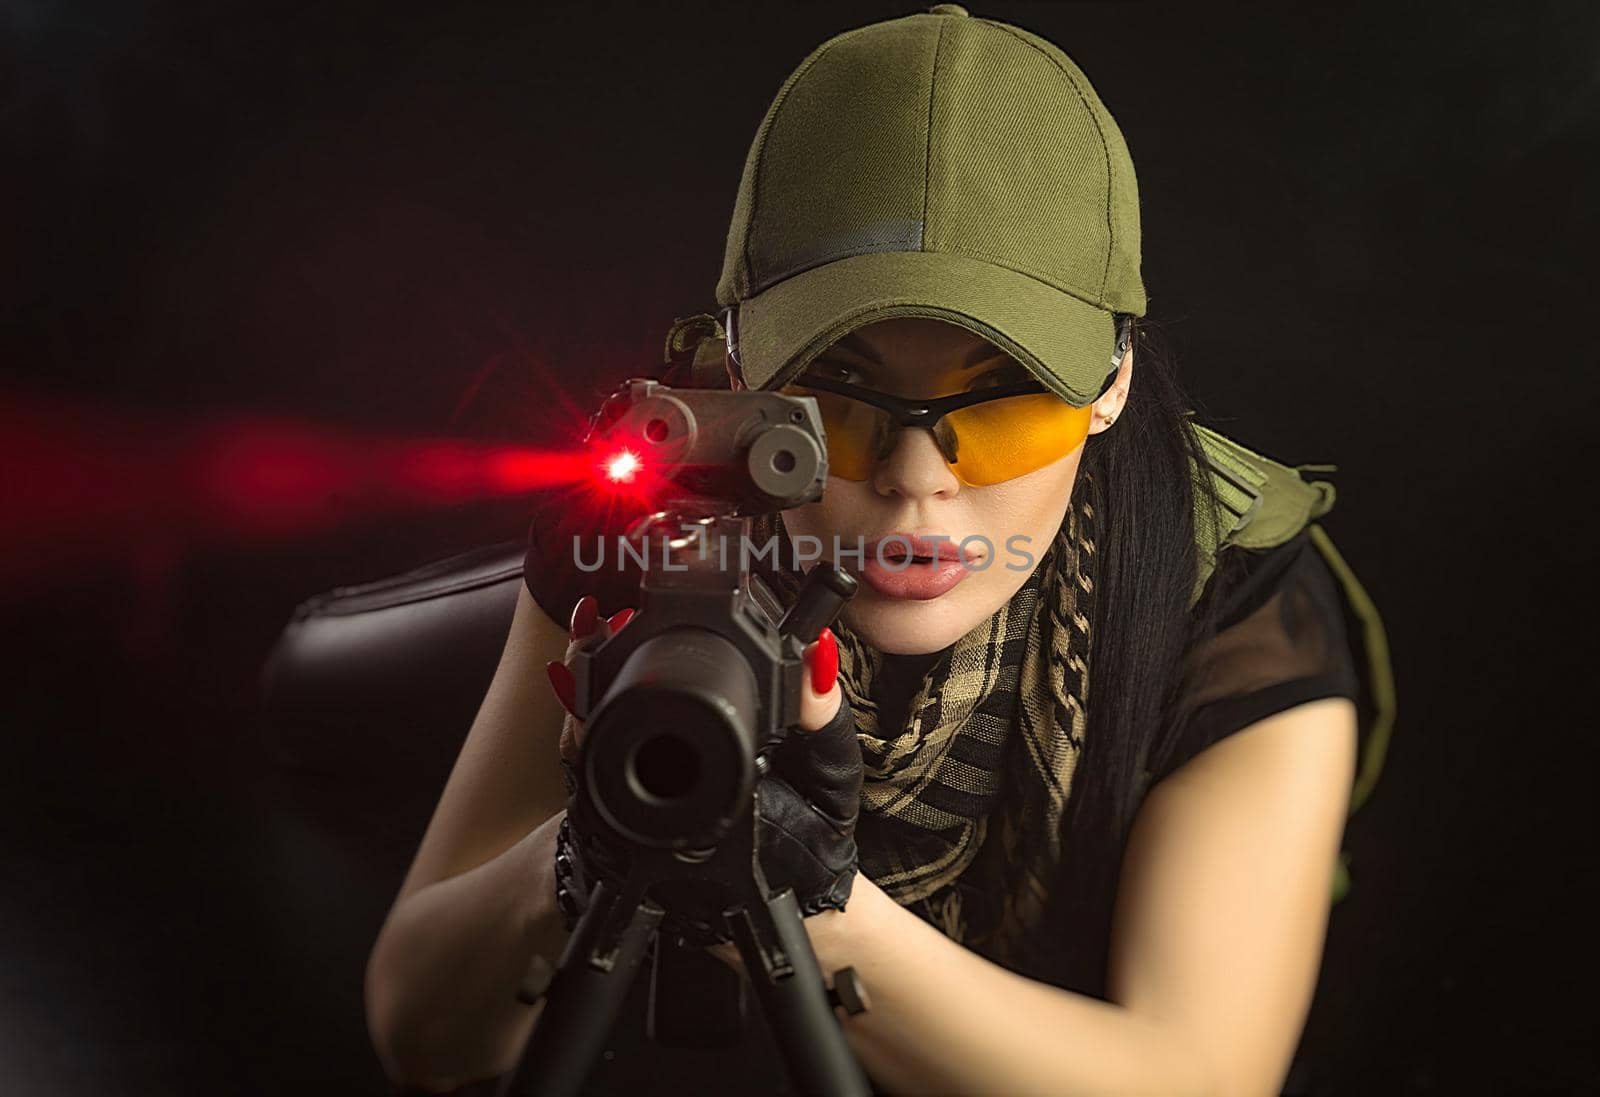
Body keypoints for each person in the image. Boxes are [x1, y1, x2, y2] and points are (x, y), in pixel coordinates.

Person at [365, 6, 1396, 1095]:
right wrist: (586, 850)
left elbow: (1199, 1077)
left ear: (1113, 383)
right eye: (835, 401)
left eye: (1001, 406)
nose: (915, 476)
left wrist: (805, 886)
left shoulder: (1228, 589)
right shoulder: (657, 532)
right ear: (736, 370)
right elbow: (422, 1030)